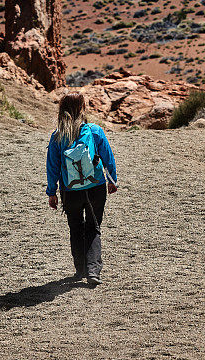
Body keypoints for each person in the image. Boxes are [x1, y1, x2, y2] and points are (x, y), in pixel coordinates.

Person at [46, 92, 118, 287]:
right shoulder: (95, 131)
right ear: (82, 109)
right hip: (95, 187)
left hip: (70, 191)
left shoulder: (57, 137)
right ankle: (93, 271)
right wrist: (112, 180)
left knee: (76, 228)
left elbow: (52, 167)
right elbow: (108, 157)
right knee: (93, 228)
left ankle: (80, 269)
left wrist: (52, 192)